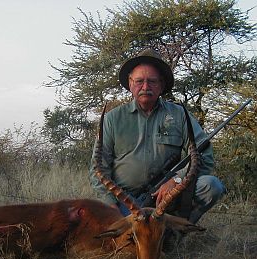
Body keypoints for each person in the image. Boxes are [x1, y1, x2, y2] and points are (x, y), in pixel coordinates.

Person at [89, 48, 225, 224]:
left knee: (211, 186)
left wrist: (176, 180)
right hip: (125, 202)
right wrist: (111, 206)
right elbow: (97, 169)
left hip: (169, 197)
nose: (145, 87)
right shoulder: (112, 119)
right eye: (139, 81)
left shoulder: (180, 115)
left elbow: (204, 156)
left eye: (152, 81)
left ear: (161, 85)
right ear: (130, 83)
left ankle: (176, 234)